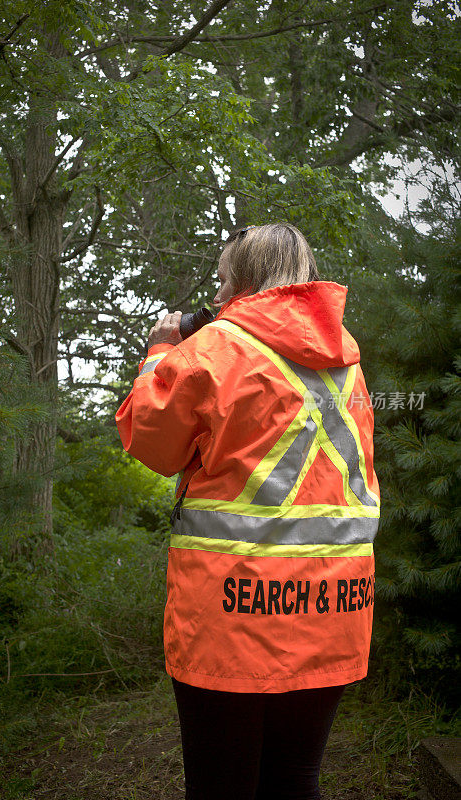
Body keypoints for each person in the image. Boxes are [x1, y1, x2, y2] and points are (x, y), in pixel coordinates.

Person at [115, 222, 380, 800]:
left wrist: (161, 348)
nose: (214, 298)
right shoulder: (347, 364)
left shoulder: (215, 349)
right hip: (334, 608)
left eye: (220, 283)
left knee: (221, 786)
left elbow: (150, 441)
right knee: (293, 781)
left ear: (241, 282)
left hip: (231, 616)